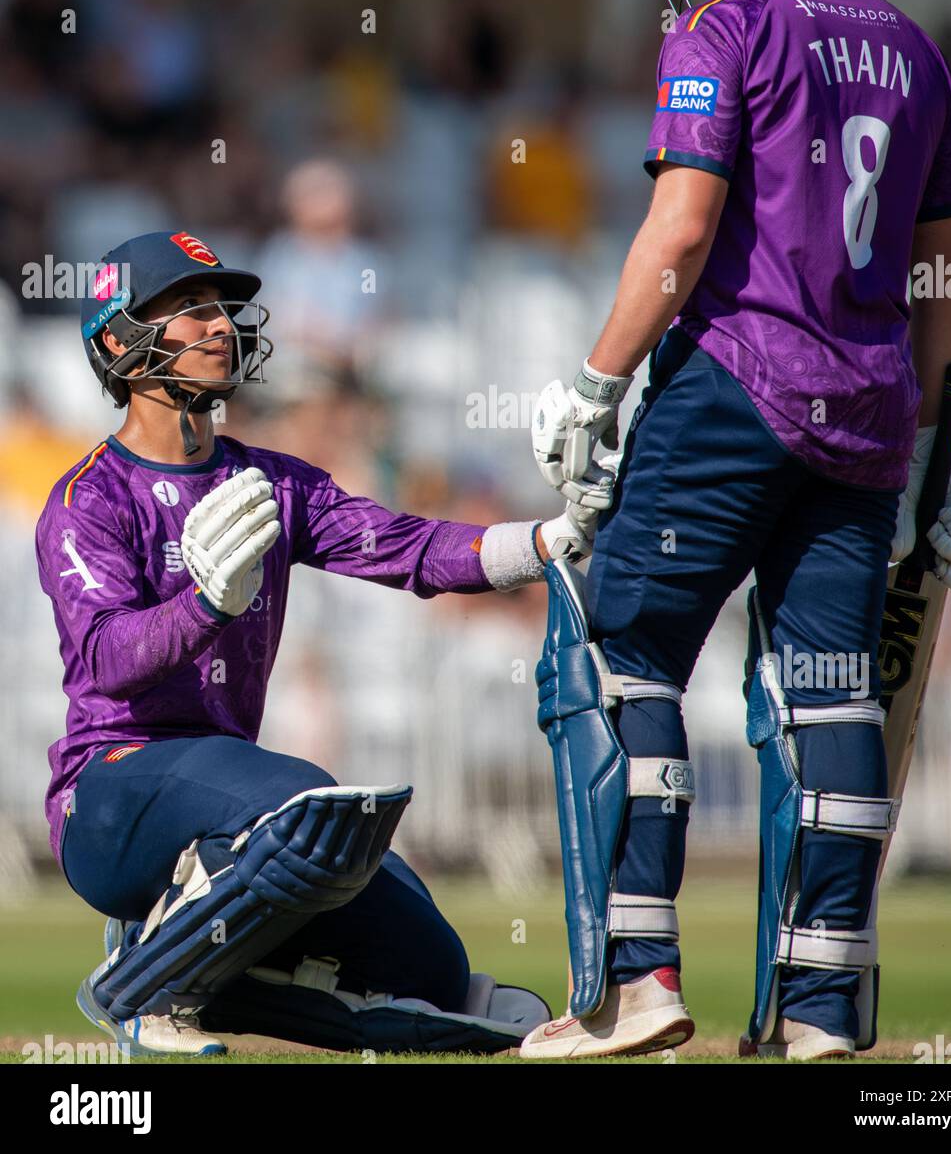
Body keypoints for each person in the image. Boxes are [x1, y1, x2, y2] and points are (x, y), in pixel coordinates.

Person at [523, 0, 951, 1060]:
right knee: (832, 699)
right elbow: (946, 274)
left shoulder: (719, 29)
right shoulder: (914, 45)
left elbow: (680, 236)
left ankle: (636, 979)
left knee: (613, 653)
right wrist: (935, 439)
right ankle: (818, 1010)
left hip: (731, 385)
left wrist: (591, 383)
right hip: (868, 413)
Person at [37, 228, 615, 1057]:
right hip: (109, 794)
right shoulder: (87, 499)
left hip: (228, 805)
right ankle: (142, 990)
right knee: (308, 803)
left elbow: (407, 549)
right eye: (189, 309)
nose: (220, 326)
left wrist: (548, 538)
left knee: (431, 961)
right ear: (119, 342)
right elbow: (106, 661)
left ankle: (195, 975)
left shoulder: (272, 479)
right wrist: (206, 605)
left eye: (222, 309)